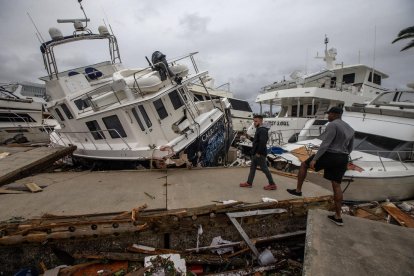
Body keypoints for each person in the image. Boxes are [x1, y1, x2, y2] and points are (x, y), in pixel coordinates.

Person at [287, 107, 354, 226]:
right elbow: (350, 148)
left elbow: (326, 144)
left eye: (329, 114)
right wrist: (343, 156)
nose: (328, 116)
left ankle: (298, 191)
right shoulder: (350, 128)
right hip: (343, 157)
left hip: (330, 154)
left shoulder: (332, 125)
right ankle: (338, 217)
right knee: (336, 185)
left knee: (304, 164)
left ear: (334, 114)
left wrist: (316, 159)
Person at [240, 115, 277, 190]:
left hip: (259, 154)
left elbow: (262, 142)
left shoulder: (262, 130)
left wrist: (258, 153)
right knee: (252, 168)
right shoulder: (259, 129)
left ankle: (272, 184)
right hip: (255, 153)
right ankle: (249, 183)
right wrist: (248, 137)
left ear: (261, 121)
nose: (254, 123)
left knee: (265, 169)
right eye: (254, 121)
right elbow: (256, 141)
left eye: (256, 121)